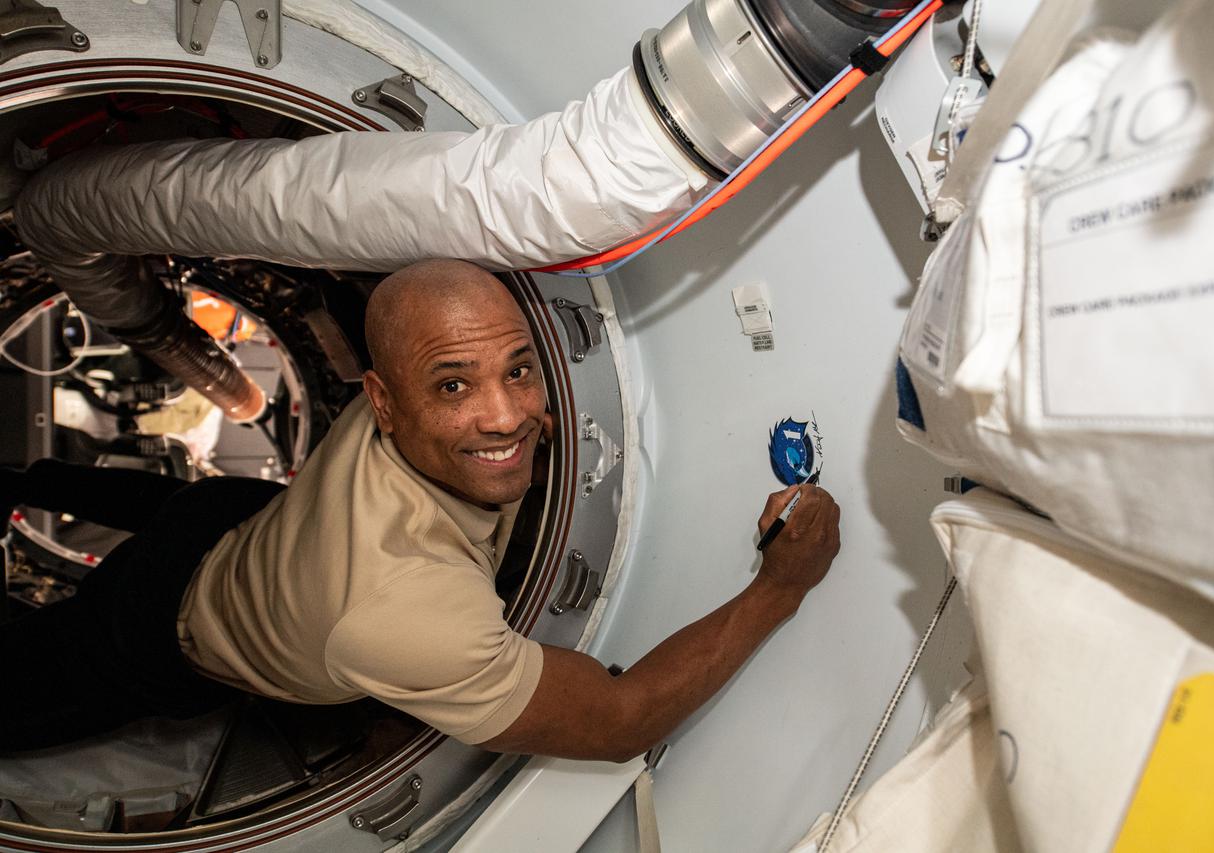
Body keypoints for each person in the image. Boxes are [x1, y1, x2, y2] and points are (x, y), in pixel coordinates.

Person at [0, 259, 840, 760]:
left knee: (173, 504)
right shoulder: (399, 612)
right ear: (381, 401)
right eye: (453, 386)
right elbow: (622, 720)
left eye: (520, 369)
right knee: (29, 683)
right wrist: (780, 587)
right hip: (160, 626)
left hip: (233, 518)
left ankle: (24, 476)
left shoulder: (419, 391)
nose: (507, 415)